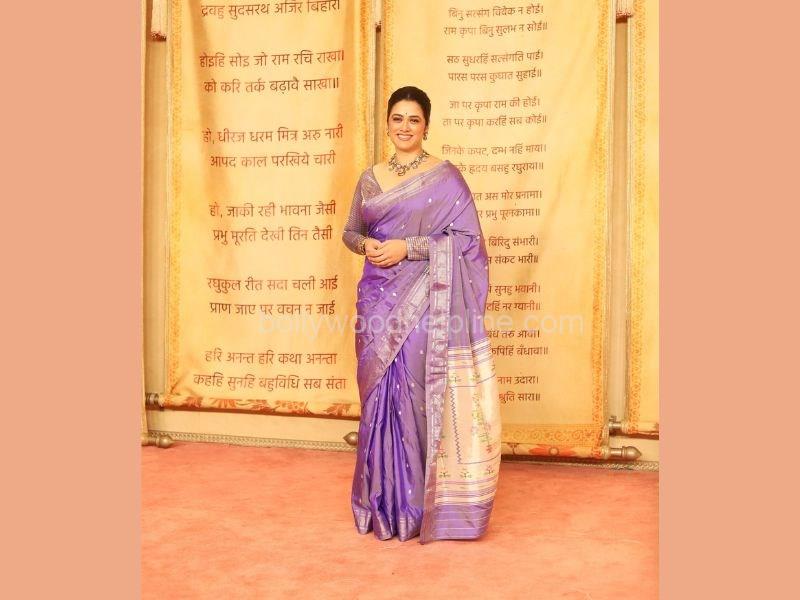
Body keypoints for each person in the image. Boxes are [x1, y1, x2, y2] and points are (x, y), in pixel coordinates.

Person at [342, 86, 502, 544]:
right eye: (397, 118)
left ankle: (414, 507)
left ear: (426, 125)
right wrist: (367, 245)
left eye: (414, 119)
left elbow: (467, 241)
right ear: (387, 123)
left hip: (424, 303)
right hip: (376, 298)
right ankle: (380, 503)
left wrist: (407, 247)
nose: (405, 127)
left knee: (414, 395)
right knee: (378, 398)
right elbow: (351, 231)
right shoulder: (370, 179)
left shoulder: (445, 177)